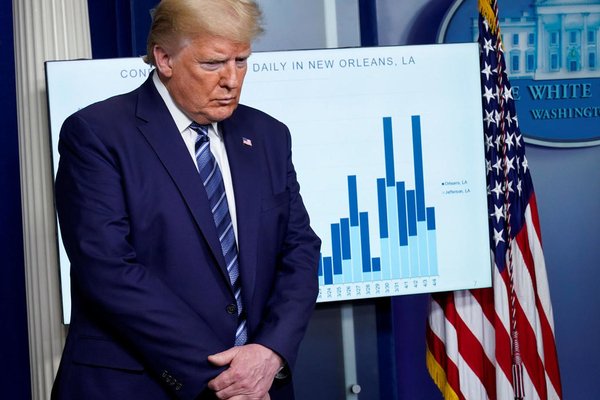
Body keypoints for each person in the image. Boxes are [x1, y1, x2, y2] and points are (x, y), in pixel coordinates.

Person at [51, 0, 321, 399]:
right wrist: (227, 376)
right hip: (139, 385)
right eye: (213, 64)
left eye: (242, 61)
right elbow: (108, 270)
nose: (232, 80)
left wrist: (269, 352)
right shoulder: (97, 134)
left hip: (260, 382)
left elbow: (299, 250)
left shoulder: (268, 135)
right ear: (164, 59)